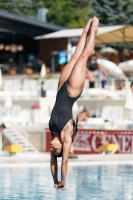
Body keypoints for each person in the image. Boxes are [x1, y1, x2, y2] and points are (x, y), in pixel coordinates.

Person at [49, 17, 99, 190]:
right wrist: (63, 181)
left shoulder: (54, 135)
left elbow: (53, 164)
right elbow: (63, 163)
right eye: (56, 150)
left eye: (52, 150)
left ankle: (85, 31)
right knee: (84, 56)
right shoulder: (66, 136)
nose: (52, 148)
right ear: (62, 146)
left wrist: (54, 180)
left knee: (75, 56)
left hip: (61, 88)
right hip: (71, 92)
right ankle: (94, 32)